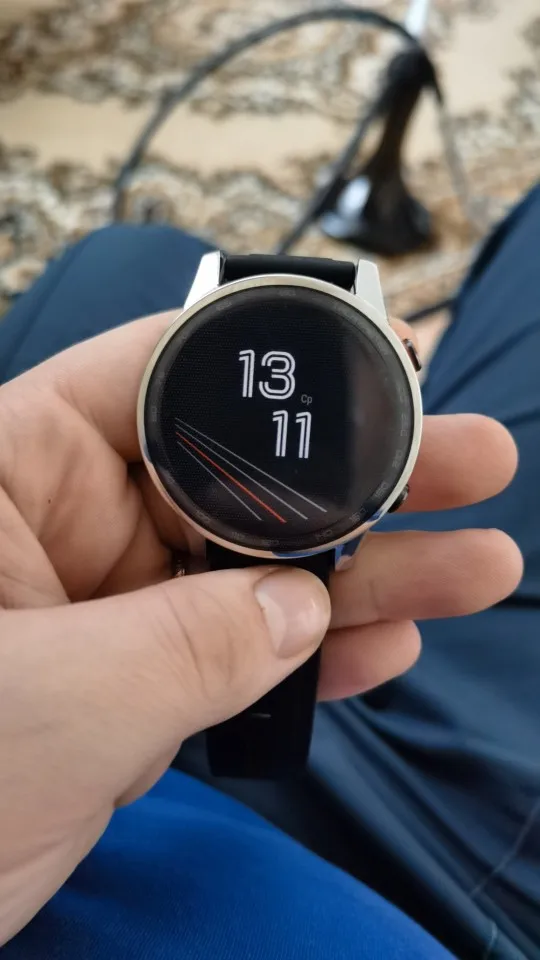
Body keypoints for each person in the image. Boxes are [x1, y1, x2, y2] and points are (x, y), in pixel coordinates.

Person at [0, 185, 538, 960]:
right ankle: (402, 370)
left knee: (127, 255)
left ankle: (399, 369)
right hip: (452, 889)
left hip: (148, 756)